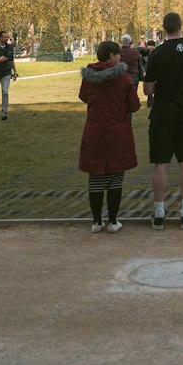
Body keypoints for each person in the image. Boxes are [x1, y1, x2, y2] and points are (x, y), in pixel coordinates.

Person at [144, 11, 183, 230]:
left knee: (160, 164)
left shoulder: (157, 53)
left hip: (163, 113)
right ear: (182, 26)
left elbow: (147, 88)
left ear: (163, 28)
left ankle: (159, 213)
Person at [78, 41, 141, 232]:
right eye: (118, 54)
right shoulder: (124, 78)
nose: (120, 56)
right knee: (115, 177)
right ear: (112, 55)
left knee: (95, 177)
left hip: (95, 130)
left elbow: (84, 96)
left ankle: (97, 222)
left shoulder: (89, 77)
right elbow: (134, 105)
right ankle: (113, 221)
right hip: (117, 131)